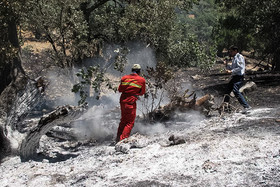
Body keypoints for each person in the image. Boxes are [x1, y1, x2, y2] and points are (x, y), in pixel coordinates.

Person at [116, 64, 146, 142]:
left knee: (123, 120)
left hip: (123, 100)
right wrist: (135, 92)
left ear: (132, 70)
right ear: (139, 71)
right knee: (129, 122)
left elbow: (120, 89)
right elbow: (142, 92)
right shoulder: (141, 80)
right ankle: (123, 140)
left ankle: (118, 138)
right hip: (131, 101)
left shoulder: (124, 78)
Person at [224, 46, 252, 114]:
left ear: (235, 51)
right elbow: (232, 67)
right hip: (234, 77)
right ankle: (226, 107)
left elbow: (240, 67)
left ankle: (246, 107)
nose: (230, 53)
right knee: (227, 90)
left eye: (231, 51)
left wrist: (231, 71)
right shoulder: (234, 58)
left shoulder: (239, 57)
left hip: (239, 77)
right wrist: (227, 64)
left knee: (235, 90)